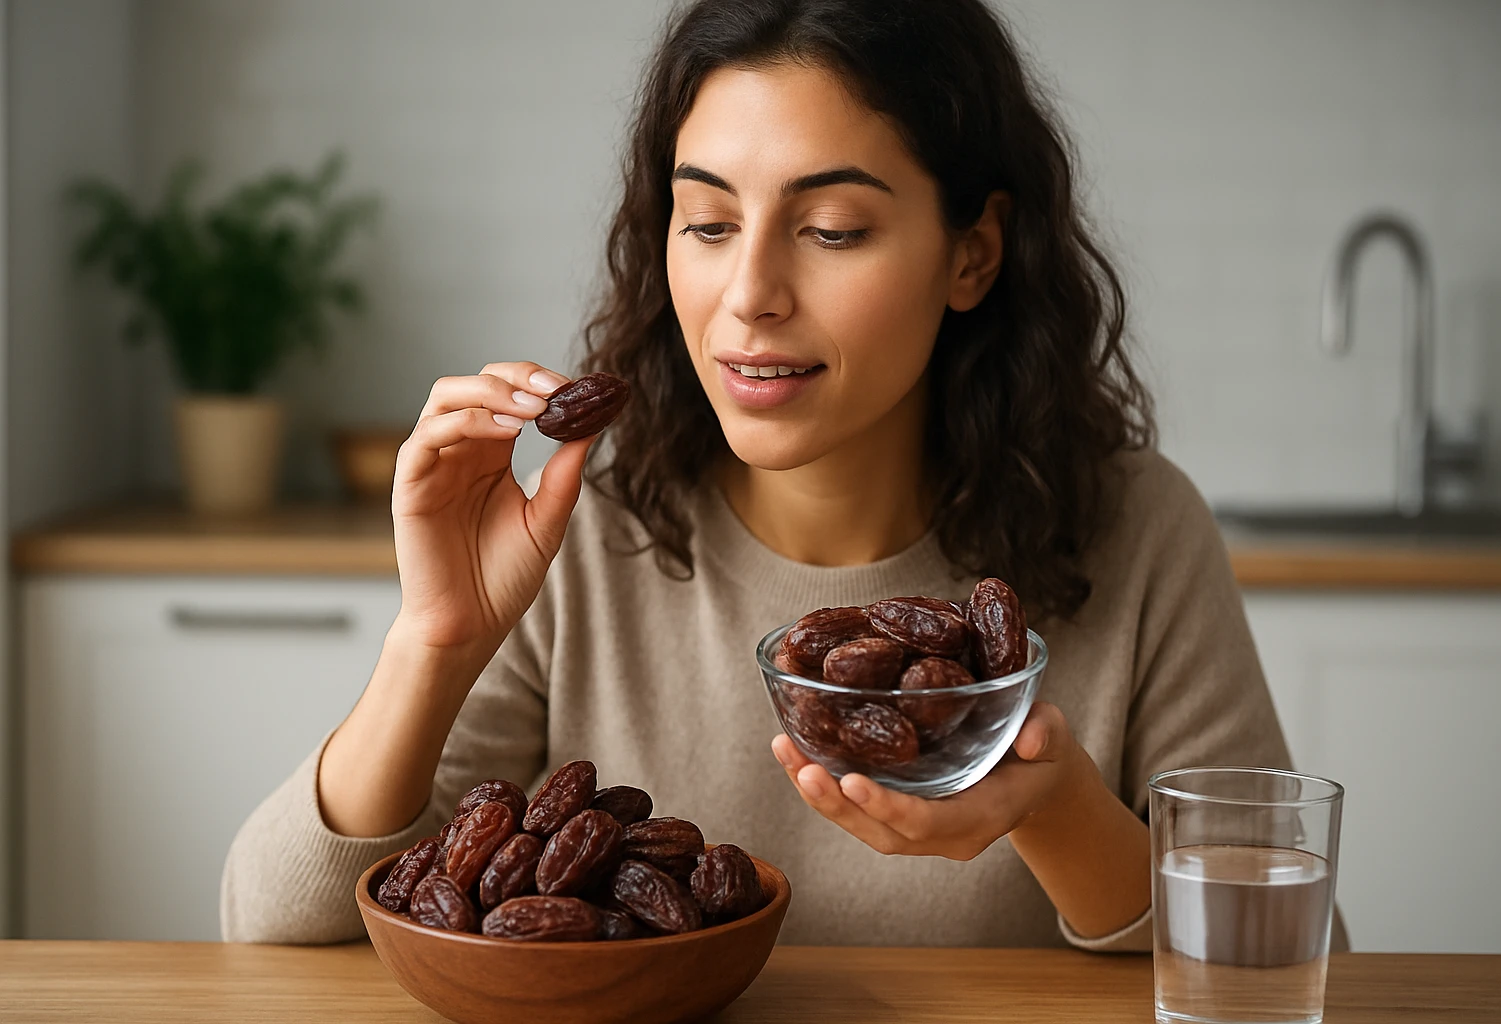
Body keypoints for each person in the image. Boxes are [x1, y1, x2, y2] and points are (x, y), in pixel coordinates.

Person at [222, 0, 1296, 949]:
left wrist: (1058, 814)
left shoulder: (1137, 530)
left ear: (973, 252)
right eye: (710, 222)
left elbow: (1281, 949)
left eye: (832, 228)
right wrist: (433, 643)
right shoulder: (584, 535)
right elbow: (270, 923)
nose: (750, 293)